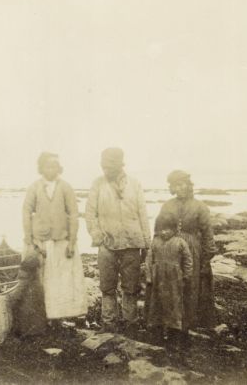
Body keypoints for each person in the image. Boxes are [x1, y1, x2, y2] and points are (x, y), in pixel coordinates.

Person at [85, 147, 151, 333]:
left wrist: (146, 242)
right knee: (107, 287)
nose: (106, 170)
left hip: (132, 244)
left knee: (131, 287)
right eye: (103, 166)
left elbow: (142, 214)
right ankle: (109, 324)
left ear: (120, 164)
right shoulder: (97, 184)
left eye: (110, 165)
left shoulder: (134, 184)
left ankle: (130, 324)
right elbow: (90, 214)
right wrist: (98, 236)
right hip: (107, 245)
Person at [22, 152, 87, 325]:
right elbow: (26, 212)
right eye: (48, 165)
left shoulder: (65, 187)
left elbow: (73, 213)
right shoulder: (34, 187)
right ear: (41, 167)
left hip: (61, 241)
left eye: (55, 166)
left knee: (61, 281)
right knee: (41, 280)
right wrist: (29, 239)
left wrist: (72, 241)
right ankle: (42, 318)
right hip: (40, 241)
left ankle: (58, 318)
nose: (52, 169)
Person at [153, 170, 217, 330]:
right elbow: (158, 228)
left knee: (190, 283)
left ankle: (189, 321)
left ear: (189, 185)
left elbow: (208, 232)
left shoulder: (200, 207)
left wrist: (207, 256)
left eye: (182, 184)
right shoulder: (167, 205)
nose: (179, 188)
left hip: (193, 249)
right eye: (175, 185)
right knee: (171, 283)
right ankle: (170, 320)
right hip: (170, 250)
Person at [145, 226, 193, 352]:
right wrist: (149, 276)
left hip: (174, 278)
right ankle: (157, 334)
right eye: (162, 229)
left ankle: (174, 335)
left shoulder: (180, 242)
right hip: (158, 278)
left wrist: (186, 276)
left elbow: (188, 260)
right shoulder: (155, 242)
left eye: (168, 229)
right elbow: (149, 259)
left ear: (174, 229)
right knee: (157, 303)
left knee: (174, 304)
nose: (164, 231)